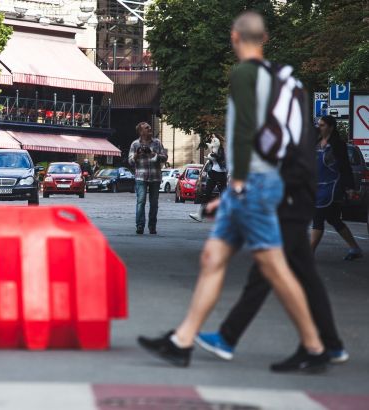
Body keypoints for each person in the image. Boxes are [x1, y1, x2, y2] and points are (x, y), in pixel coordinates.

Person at [137, 11, 328, 373]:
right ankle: (182, 341)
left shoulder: (244, 74)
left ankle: (315, 345)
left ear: (235, 37)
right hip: (258, 182)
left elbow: (242, 131)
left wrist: (236, 184)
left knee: (273, 266)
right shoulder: (276, 80)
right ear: (264, 39)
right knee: (213, 258)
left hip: (253, 184)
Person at [195, 113, 349, 366]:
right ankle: (331, 345)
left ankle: (229, 337)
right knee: (307, 280)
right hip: (294, 210)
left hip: (287, 213)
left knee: (263, 276)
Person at [311, 115, 363, 260]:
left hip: (332, 187)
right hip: (319, 186)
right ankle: (355, 248)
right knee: (334, 219)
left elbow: (345, 166)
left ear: (331, 127)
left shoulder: (337, 144)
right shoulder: (317, 143)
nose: (319, 127)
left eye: (322, 125)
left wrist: (350, 187)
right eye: (319, 125)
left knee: (318, 217)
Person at [128, 123, 167, 234]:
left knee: (154, 203)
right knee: (141, 201)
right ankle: (140, 226)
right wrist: (137, 154)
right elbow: (130, 161)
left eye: (150, 127)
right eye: (146, 128)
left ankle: (152, 226)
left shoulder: (157, 143)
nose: (150, 129)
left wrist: (155, 154)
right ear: (141, 132)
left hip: (155, 177)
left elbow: (165, 157)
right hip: (141, 177)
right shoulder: (135, 144)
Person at [190, 134, 228, 222]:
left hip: (219, 174)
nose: (212, 139)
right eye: (211, 137)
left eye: (213, 137)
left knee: (223, 195)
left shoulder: (221, 150)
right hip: (214, 174)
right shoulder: (214, 148)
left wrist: (213, 156)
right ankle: (199, 214)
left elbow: (219, 158)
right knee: (207, 194)